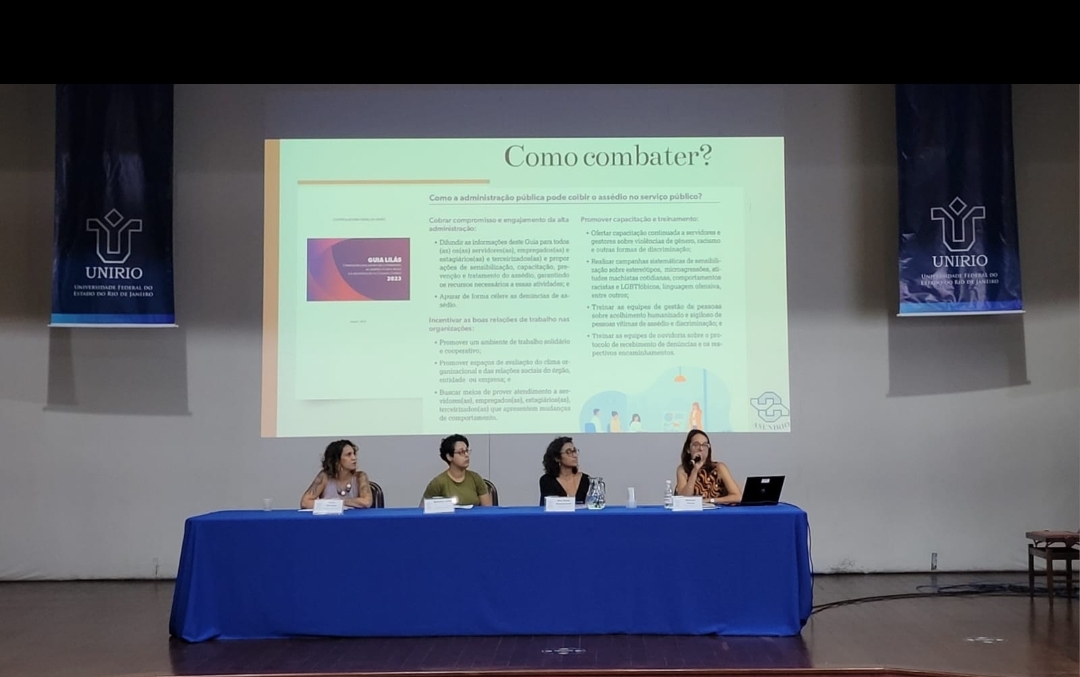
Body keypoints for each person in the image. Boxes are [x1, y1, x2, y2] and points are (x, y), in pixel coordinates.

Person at [674, 429, 742, 504]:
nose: (701, 448)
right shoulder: (682, 470)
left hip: (717, 510)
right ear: (688, 449)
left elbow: (737, 496)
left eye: (705, 445)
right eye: (696, 445)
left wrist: (710, 500)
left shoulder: (719, 468)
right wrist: (695, 470)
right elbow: (684, 499)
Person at [300, 439, 373, 509]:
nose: (354, 458)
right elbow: (305, 503)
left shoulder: (360, 476)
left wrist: (338, 503)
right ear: (336, 460)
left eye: (354, 454)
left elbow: (366, 502)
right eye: (348, 455)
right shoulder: (324, 477)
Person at [422, 434, 492, 506]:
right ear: (449, 457)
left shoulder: (475, 478)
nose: (466, 455)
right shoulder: (438, 483)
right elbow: (423, 509)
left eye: (467, 451)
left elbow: (488, 509)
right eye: (461, 452)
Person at [538, 436, 590, 504]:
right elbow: (546, 506)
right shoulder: (547, 481)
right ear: (557, 458)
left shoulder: (586, 479)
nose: (575, 455)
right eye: (569, 452)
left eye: (574, 451)